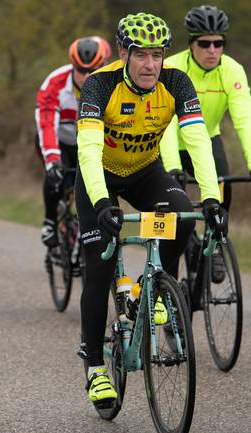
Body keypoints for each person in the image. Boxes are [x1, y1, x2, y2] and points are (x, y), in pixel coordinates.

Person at [75, 13, 227, 408]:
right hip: (100, 176)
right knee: (100, 264)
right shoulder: (99, 84)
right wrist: (103, 203)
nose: (150, 65)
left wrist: (212, 198)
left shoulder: (176, 81)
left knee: (180, 218)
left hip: (145, 171)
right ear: (124, 54)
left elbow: (198, 142)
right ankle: (94, 368)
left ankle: (157, 291)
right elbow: (88, 152)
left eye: (157, 55)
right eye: (141, 55)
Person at [160, 5, 251, 212]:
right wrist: (173, 166)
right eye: (204, 43)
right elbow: (168, 123)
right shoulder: (172, 68)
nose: (212, 50)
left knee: (221, 196)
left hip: (207, 139)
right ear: (191, 44)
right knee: (170, 207)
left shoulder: (232, 70)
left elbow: (245, 119)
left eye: (218, 43)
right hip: (167, 141)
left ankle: (215, 240)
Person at [35, 36, 110, 247]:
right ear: (72, 66)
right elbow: (47, 123)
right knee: (56, 177)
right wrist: (52, 161)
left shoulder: (110, 83)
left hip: (91, 141)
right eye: (81, 71)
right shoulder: (54, 84)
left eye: (92, 71)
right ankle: (50, 221)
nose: (86, 77)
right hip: (59, 140)